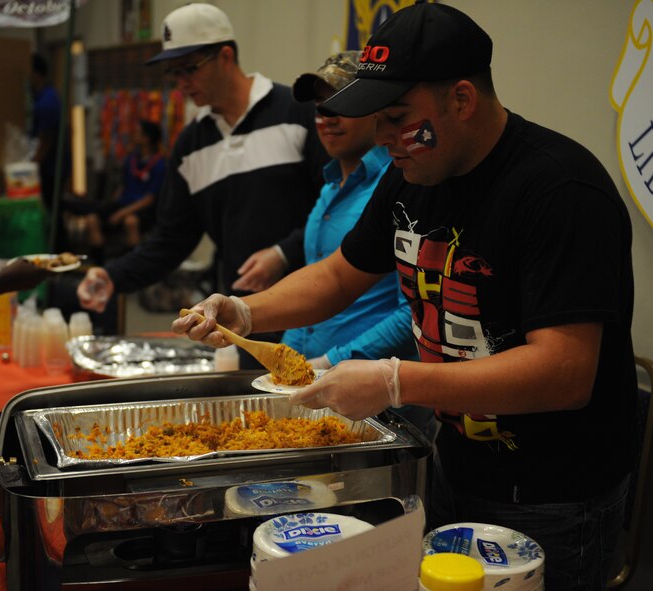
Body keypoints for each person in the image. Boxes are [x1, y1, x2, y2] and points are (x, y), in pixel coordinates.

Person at [172, 2, 637, 589]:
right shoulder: (411, 171)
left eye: (397, 118)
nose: (385, 138)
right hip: (457, 467)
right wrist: (243, 311)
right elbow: (340, 275)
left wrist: (396, 380)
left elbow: (565, 372)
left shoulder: (560, 190)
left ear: (462, 100)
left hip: (556, 494)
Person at [77, 2, 327, 366]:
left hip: (315, 314)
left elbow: (338, 207)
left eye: (188, 69)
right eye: (172, 72)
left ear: (225, 56)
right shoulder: (191, 144)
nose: (180, 82)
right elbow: (171, 239)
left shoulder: (296, 112)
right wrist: (113, 275)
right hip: (240, 318)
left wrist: (284, 252)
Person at [233, 50, 417, 371]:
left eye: (342, 102)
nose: (327, 116)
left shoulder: (399, 184)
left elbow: (413, 312)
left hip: (375, 392)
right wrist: (285, 362)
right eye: (320, 105)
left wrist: (332, 362)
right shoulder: (330, 186)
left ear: (376, 108)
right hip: (316, 383)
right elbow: (317, 290)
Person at [71, 119, 166, 262]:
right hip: (123, 203)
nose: (133, 136)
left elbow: (149, 198)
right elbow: (122, 186)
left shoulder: (159, 164)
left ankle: (132, 263)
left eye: (137, 133)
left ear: (147, 138)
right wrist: (113, 207)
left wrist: (121, 213)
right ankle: (99, 262)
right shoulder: (131, 160)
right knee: (91, 218)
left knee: (130, 221)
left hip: (143, 209)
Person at [30, 52, 71, 252]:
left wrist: (33, 166)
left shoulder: (48, 101)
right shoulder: (41, 97)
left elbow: (46, 139)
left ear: (35, 73)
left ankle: (60, 253)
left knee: (53, 210)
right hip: (51, 166)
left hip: (52, 167)